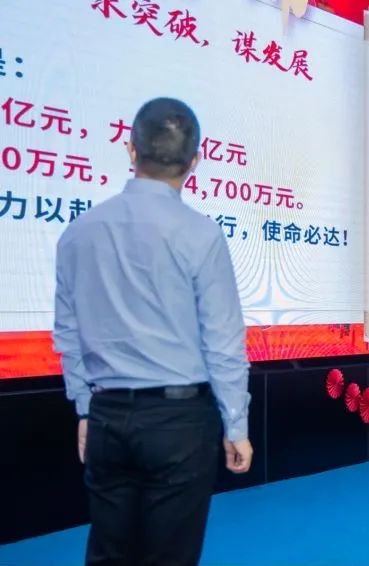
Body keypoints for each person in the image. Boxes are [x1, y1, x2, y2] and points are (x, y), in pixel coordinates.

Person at [53, 97, 253, 565]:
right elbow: (222, 341)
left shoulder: (78, 231)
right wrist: (236, 424)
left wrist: (85, 408)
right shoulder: (201, 234)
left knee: (108, 554)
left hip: (107, 415)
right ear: (195, 161)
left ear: (131, 150)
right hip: (179, 422)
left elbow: (68, 332)